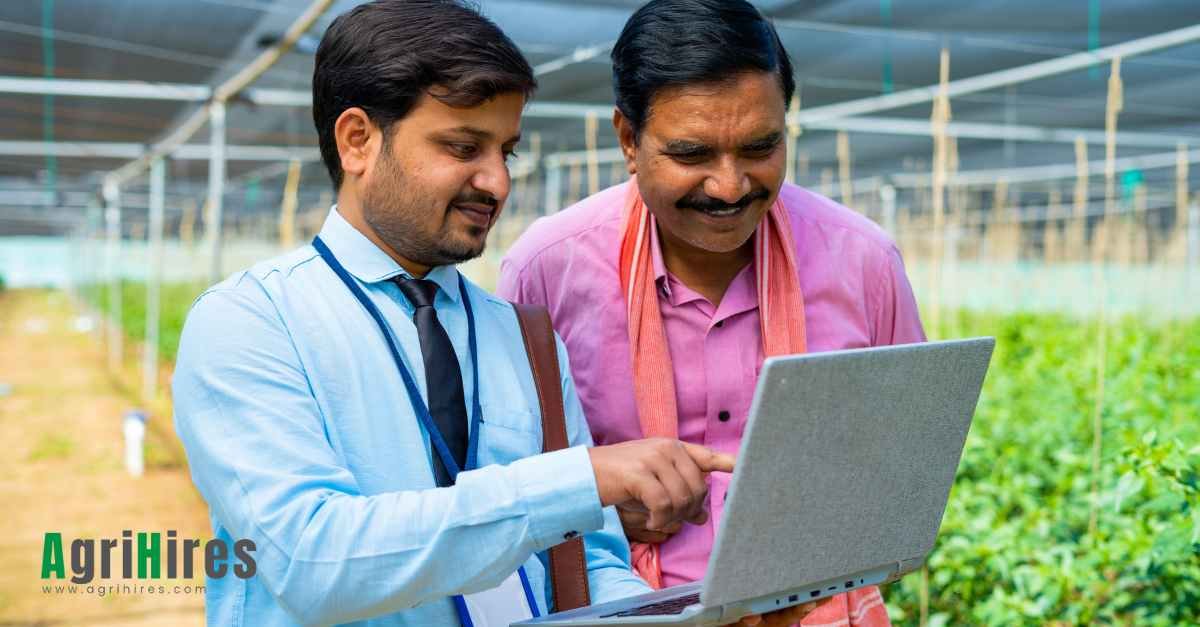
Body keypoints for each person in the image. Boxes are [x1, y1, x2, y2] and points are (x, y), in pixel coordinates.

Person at [172, 2, 738, 625]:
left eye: (507, 151)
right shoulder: (251, 323)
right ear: (357, 140)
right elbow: (312, 563)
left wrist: (676, 617)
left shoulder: (521, 338)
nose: (496, 182)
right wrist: (576, 481)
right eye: (463, 146)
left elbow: (588, 562)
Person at [499, 1, 925, 624]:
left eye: (760, 146)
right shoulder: (547, 272)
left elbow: (906, 463)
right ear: (628, 140)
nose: (729, 186)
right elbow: (502, 487)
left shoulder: (863, 263)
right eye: (692, 153)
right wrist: (599, 504)